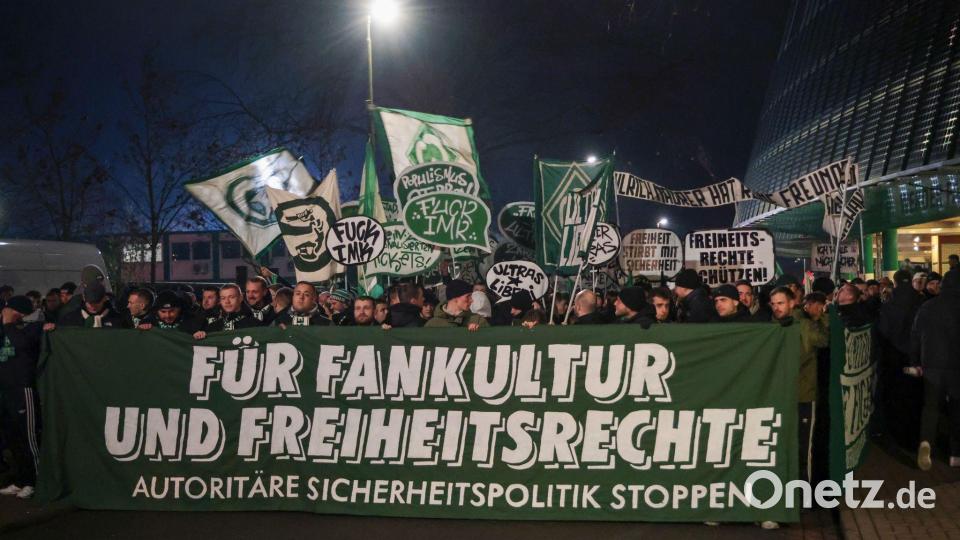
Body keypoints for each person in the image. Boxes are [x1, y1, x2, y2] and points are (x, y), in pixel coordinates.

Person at [769, 286, 828, 486]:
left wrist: (819, 318)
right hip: (779, 397)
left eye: (781, 303)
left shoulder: (803, 325)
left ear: (792, 303)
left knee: (803, 450)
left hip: (803, 396)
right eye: (774, 304)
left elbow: (823, 340)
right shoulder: (769, 327)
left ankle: (804, 495)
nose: (777, 308)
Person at [912, 270, 960, 470]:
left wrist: (915, 361)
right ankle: (955, 455)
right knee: (957, 409)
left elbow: (915, 335)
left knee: (930, 407)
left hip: (931, 363)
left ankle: (926, 442)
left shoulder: (927, 306)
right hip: (956, 365)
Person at [0, 296, 45, 499]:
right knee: (12, 438)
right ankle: (20, 478)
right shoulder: (5, 327)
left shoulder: (34, 327)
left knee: (28, 437)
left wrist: (9, 324)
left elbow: (22, 345)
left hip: (23, 388)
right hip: (5, 389)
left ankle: (35, 480)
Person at [877, 269, 925, 448]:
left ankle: (899, 435)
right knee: (916, 396)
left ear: (895, 283)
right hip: (918, 357)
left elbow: (884, 331)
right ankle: (916, 435)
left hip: (895, 359)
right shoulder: (921, 301)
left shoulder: (889, 304)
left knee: (898, 397)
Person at [193, 284, 260, 339]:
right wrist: (199, 336)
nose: (227, 302)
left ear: (241, 297)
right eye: (223, 298)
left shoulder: (255, 325)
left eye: (231, 297)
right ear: (220, 301)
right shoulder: (212, 327)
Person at [57, 282, 121, 328]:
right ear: (84, 298)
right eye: (90, 303)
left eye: (97, 302)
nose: (93, 306)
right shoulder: (70, 319)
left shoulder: (116, 319)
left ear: (104, 298)